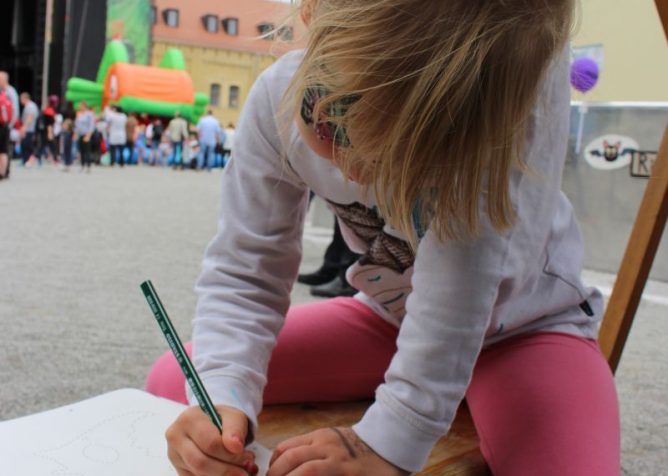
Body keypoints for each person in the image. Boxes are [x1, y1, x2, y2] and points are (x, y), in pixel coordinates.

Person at [145, 1, 620, 475]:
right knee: (177, 381)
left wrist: (392, 437)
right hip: (394, 322)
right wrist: (223, 396)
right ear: (312, 12)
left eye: (401, 157)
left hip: (528, 331)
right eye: (334, 124)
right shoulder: (277, 98)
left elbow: (460, 293)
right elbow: (248, 268)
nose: (355, 172)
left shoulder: (492, 105)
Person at [0, 71, 19, 180]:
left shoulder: (10, 92)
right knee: (4, 149)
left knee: (4, 149)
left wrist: (11, 125)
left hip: (5, 125)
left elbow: (15, 110)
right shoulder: (3, 91)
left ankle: (4, 171)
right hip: (5, 125)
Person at [73, 101, 96, 172]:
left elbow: (92, 125)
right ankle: (82, 165)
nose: (80, 107)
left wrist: (88, 135)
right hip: (81, 134)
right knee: (81, 150)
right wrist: (75, 133)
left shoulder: (89, 114)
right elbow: (77, 125)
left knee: (87, 151)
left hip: (87, 134)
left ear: (85, 106)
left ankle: (88, 166)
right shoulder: (79, 114)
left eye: (81, 106)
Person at [19, 93, 39, 166]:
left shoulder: (30, 106)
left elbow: (30, 117)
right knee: (25, 145)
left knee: (28, 145)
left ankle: (30, 159)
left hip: (29, 129)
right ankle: (25, 160)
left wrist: (24, 127)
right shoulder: (28, 106)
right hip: (28, 129)